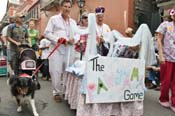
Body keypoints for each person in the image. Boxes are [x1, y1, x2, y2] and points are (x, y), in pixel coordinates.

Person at [44, 0, 77, 102]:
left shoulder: (73, 22)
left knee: (68, 72)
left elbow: (77, 35)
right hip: (57, 50)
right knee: (56, 72)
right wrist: (57, 39)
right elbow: (47, 33)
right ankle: (56, 93)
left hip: (69, 51)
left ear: (70, 8)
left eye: (69, 7)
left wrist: (74, 40)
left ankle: (67, 92)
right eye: (65, 6)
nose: (67, 8)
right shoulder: (54, 19)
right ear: (61, 7)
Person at [156, 8, 175, 112]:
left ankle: (174, 102)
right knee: (166, 81)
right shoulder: (165, 25)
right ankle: (163, 98)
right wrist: (161, 55)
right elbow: (158, 39)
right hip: (167, 58)